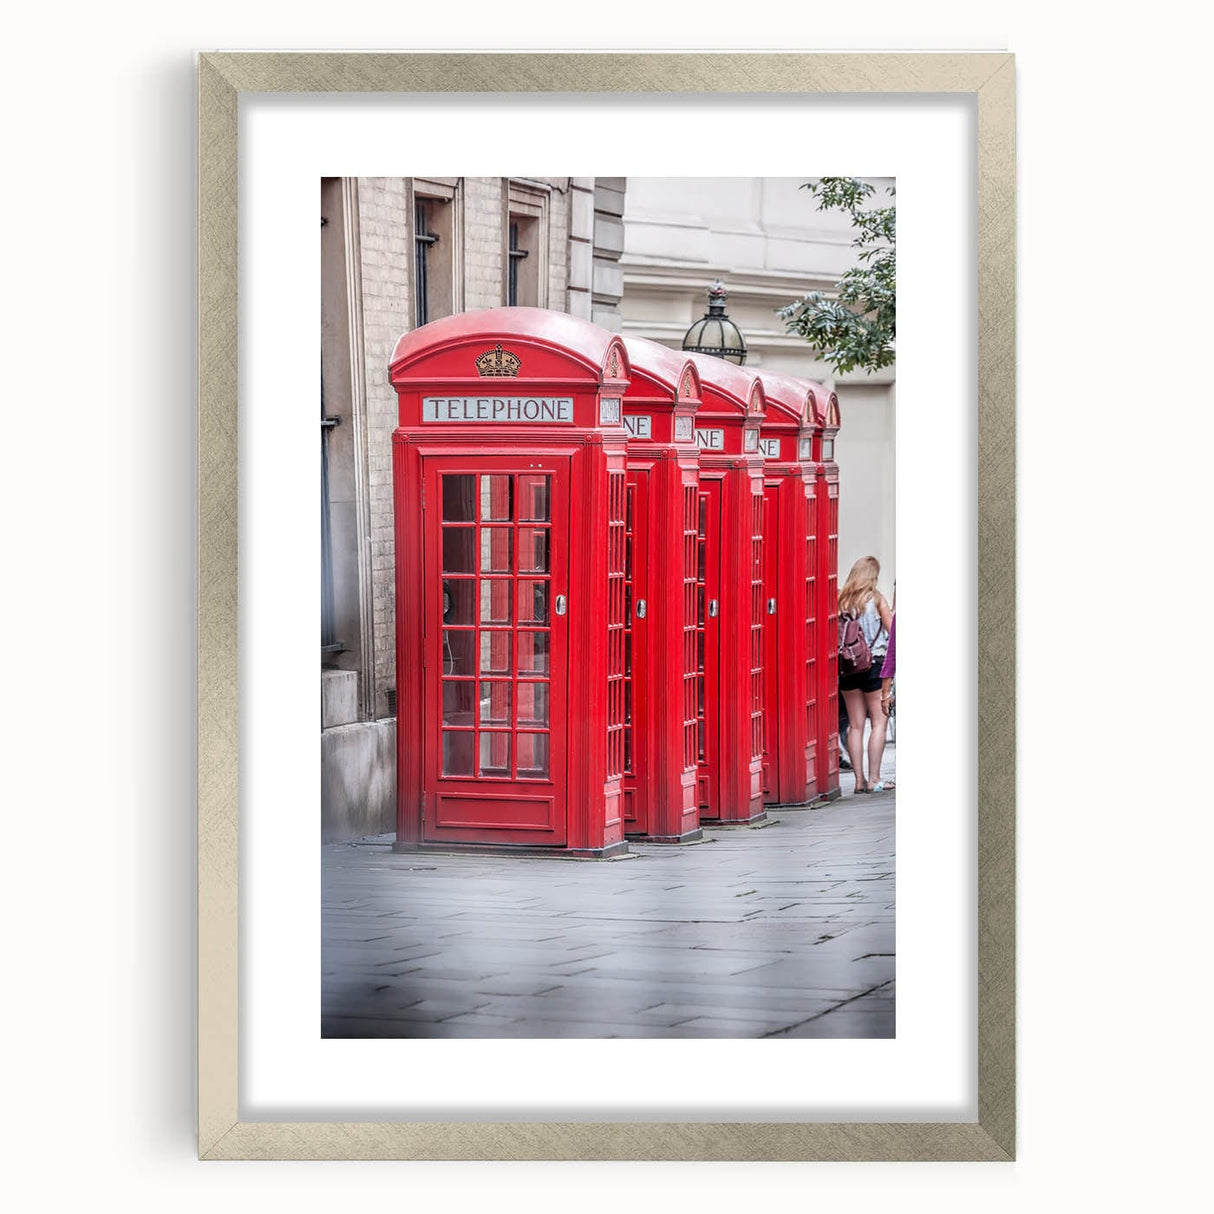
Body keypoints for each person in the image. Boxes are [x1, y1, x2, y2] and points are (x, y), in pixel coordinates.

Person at [838, 556, 894, 794]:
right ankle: (874, 779)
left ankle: (859, 781)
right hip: (874, 665)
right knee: (879, 723)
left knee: (855, 725)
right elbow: (894, 632)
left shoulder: (841, 601)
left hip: (848, 667)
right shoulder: (877, 599)